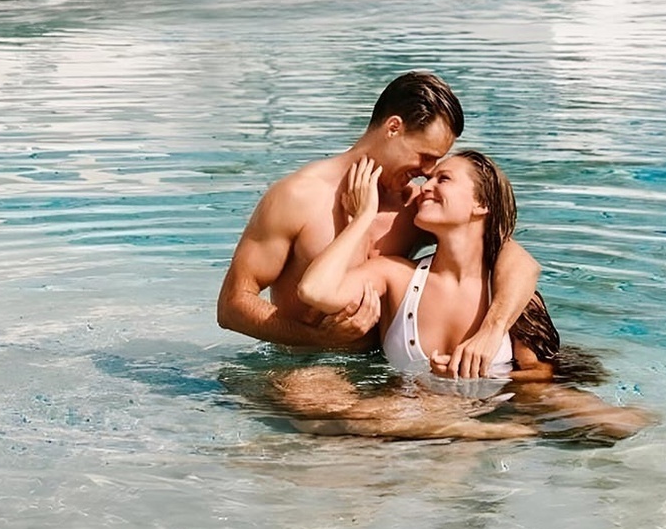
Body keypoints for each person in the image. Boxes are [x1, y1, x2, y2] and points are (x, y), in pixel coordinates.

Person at [275, 150, 654, 442]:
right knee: (302, 388)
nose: (426, 187)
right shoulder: (396, 276)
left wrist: (481, 379)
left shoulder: (510, 293)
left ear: (480, 204)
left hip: (439, 416)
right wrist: (362, 218)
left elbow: (538, 376)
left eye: (444, 179)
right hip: (411, 409)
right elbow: (315, 290)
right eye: (429, 179)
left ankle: (462, 429)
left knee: (620, 423)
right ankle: (476, 433)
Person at [216, 71, 540, 378]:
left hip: (389, 370)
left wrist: (492, 329)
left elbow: (513, 257)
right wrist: (317, 339)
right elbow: (231, 306)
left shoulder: (414, 208)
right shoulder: (298, 197)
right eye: (425, 156)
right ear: (393, 127)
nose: (428, 172)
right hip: (307, 366)